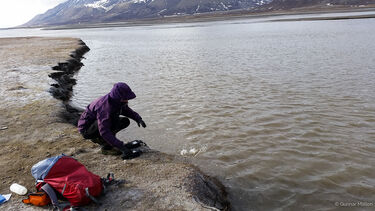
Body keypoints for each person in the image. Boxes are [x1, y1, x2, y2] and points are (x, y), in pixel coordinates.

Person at [78, 82, 146, 159]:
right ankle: (106, 146)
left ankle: (111, 142)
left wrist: (138, 118)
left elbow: (125, 110)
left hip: (97, 124)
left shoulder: (116, 100)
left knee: (124, 121)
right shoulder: (105, 107)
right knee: (109, 123)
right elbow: (104, 131)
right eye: (125, 98)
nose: (127, 100)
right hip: (87, 129)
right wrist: (122, 148)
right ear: (119, 97)